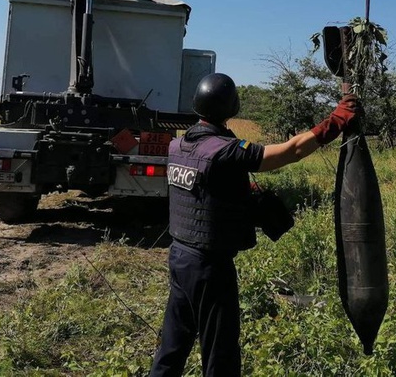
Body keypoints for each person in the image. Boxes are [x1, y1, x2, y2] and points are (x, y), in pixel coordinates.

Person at [149, 72, 360, 377]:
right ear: (231, 108)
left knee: (173, 344)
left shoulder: (178, 147)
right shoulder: (225, 151)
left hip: (180, 257)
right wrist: (335, 122)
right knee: (220, 352)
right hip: (210, 266)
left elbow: (206, 189)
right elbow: (293, 150)